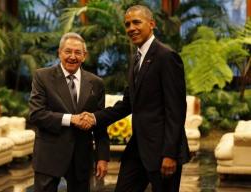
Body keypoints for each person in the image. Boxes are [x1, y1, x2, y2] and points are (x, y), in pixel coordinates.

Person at [79, 5, 190, 192]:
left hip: (163, 151)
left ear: (152, 24)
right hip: (137, 149)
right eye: (127, 24)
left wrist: (170, 154)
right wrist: (95, 118)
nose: (131, 28)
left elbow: (176, 110)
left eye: (137, 22)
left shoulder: (166, 57)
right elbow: (127, 104)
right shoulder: (136, 59)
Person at [29, 32, 110, 192]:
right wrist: (71, 119)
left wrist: (102, 157)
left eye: (77, 52)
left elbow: (100, 122)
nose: (72, 57)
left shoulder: (96, 83)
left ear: (84, 56)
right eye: (68, 51)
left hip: (81, 157)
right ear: (59, 53)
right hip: (49, 155)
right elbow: (36, 114)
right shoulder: (42, 77)